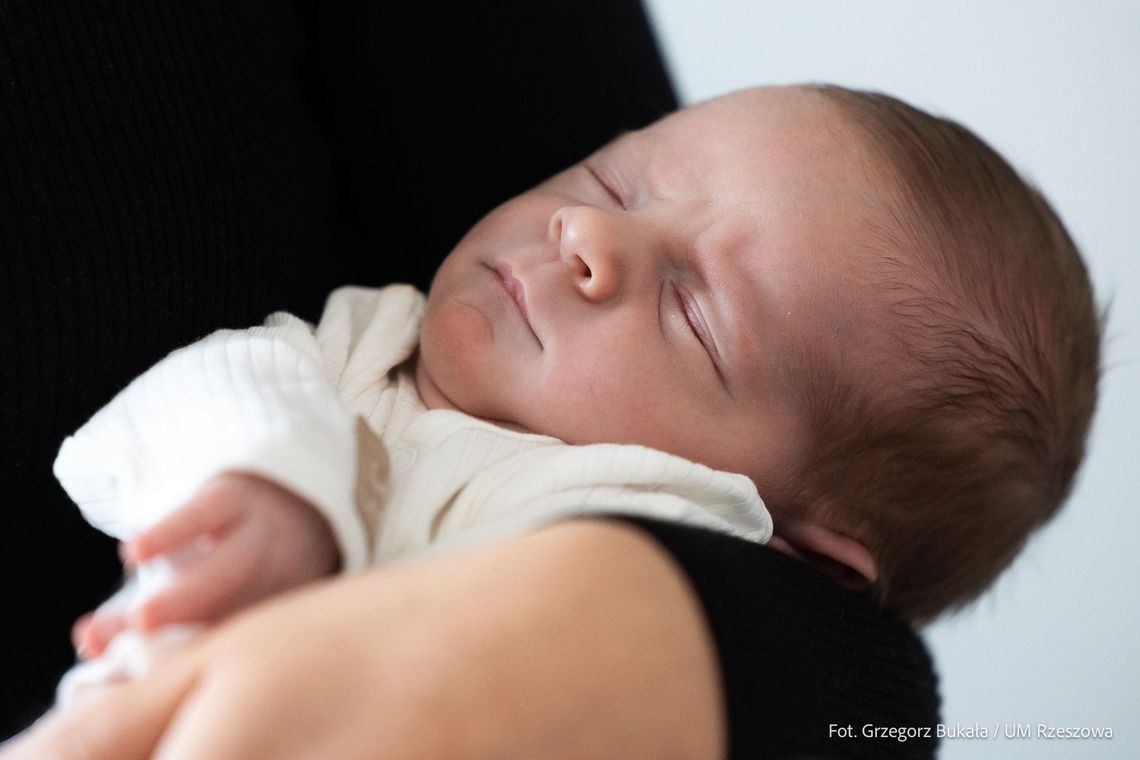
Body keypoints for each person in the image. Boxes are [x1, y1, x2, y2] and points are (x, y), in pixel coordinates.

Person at [1, 1, 1032, 757]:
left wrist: (633, 622)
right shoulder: (368, 339)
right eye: (614, 180)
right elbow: (236, 380)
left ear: (799, 542)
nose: (585, 232)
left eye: (692, 310)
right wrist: (269, 490)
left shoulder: (631, 516)